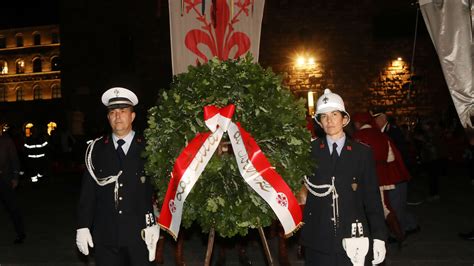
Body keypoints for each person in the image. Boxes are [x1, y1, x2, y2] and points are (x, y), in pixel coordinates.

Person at [301, 89, 387, 266]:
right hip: (318, 239)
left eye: (334, 114)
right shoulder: (308, 152)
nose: (329, 120)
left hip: (353, 238)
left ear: (344, 118)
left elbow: (372, 198)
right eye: (324, 116)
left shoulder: (362, 153)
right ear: (319, 121)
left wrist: (379, 237)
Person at [76, 87, 160, 265]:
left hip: (140, 234)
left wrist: (157, 223)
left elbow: (161, 189)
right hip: (106, 235)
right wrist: (83, 226)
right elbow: (88, 193)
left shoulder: (150, 147)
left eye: (123, 111)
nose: (117, 116)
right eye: (113, 112)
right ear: (108, 118)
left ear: (132, 116)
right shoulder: (96, 149)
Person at [352, 112, 411, 246]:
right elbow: (391, 158)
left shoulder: (357, 137)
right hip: (381, 177)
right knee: (385, 208)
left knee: (360, 209)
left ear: (358, 122)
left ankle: (371, 238)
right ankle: (398, 235)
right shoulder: (382, 136)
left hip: (363, 179)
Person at [371, 108, 420, 235]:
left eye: (375, 119)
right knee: (397, 203)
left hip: (397, 172)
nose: (374, 122)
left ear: (382, 118)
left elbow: (398, 152)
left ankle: (401, 231)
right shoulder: (384, 131)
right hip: (393, 173)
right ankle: (411, 225)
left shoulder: (392, 131)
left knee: (397, 204)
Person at [0, 127, 26, 244]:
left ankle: (20, 233)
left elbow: (14, 160)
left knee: (12, 207)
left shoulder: (6, 141)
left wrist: (15, 177)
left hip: (5, 179)